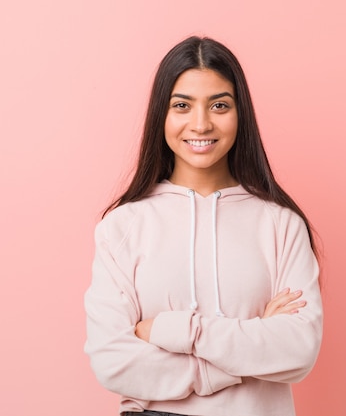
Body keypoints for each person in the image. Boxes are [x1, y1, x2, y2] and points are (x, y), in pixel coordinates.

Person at [84, 36, 323, 416]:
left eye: (219, 105)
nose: (201, 123)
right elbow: (113, 361)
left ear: (240, 113)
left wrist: (172, 331)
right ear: (161, 114)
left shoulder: (281, 224)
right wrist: (245, 355)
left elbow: (297, 350)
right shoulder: (123, 226)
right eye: (182, 105)